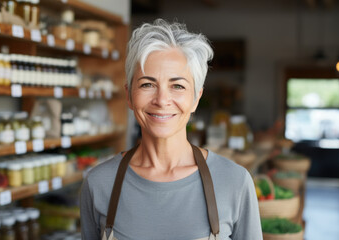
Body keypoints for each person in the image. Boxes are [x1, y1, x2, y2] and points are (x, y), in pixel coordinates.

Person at [80, 19, 262, 240]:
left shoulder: (234, 182)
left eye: (177, 86)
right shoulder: (99, 183)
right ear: (129, 95)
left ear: (196, 98)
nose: (162, 100)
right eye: (147, 84)